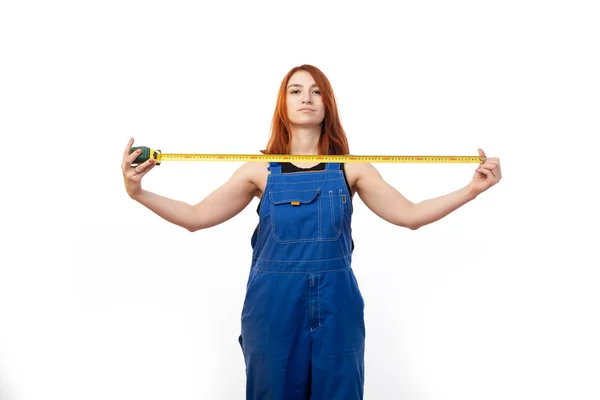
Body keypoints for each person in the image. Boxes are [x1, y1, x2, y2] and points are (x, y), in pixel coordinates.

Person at [121, 64, 502, 400]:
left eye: (317, 91)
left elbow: (411, 215)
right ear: (282, 105)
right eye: (296, 90)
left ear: (328, 105)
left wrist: (472, 190)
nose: (307, 98)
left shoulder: (353, 169)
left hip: (338, 307)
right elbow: (195, 216)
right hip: (273, 308)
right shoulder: (258, 170)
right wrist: (138, 192)